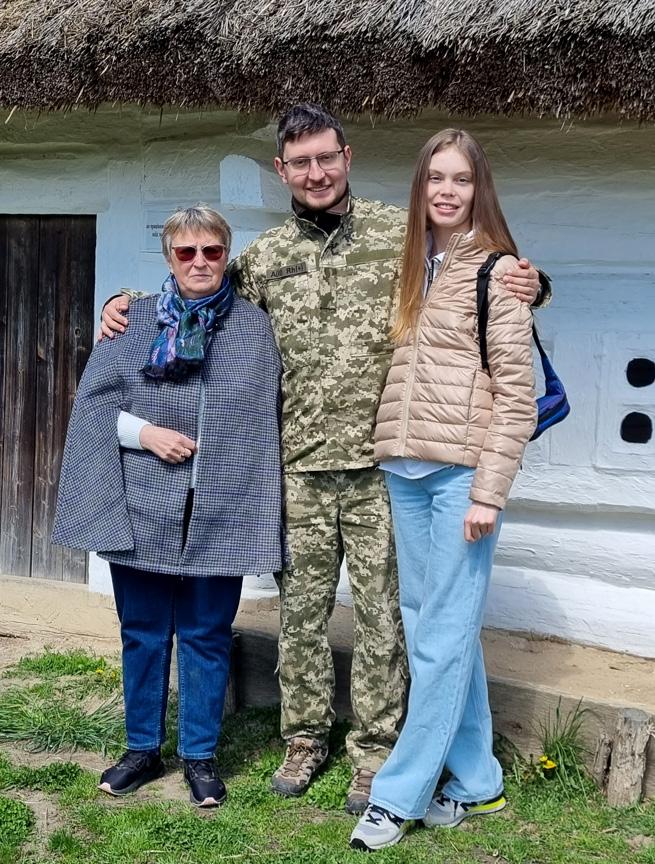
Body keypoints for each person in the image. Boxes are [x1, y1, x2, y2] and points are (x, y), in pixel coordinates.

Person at [100, 104, 549, 814]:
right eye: (300, 162)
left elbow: (477, 270)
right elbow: (199, 291)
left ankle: (375, 751)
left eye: (326, 158)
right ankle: (304, 739)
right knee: (301, 617)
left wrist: (534, 281)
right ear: (282, 170)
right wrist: (122, 302)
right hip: (297, 470)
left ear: (347, 157)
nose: (316, 173)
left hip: (383, 468)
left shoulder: (399, 235)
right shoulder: (267, 257)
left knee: (383, 620)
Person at [53, 205, 284, 808]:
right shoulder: (132, 321)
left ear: (226, 255)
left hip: (223, 503)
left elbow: (267, 418)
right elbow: (92, 409)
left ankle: (200, 756)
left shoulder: (253, 328)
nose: (199, 262)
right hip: (143, 502)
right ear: (169, 257)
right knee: (144, 633)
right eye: (187, 252)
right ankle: (141, 750)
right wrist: (146, 433)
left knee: (207, 634)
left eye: (212, 251)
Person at [349, 129, 538, 851]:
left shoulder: (497, 272)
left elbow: (515, 397)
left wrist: (488, 493)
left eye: (461, 179)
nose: (447, 191)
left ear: (478, 187)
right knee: (436, 629)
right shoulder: (411, 262)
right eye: (436, 178)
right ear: (420, 187)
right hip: (405, 470)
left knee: (439, 638)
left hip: (462, 477)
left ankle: (397, 795)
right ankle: (479, 780)